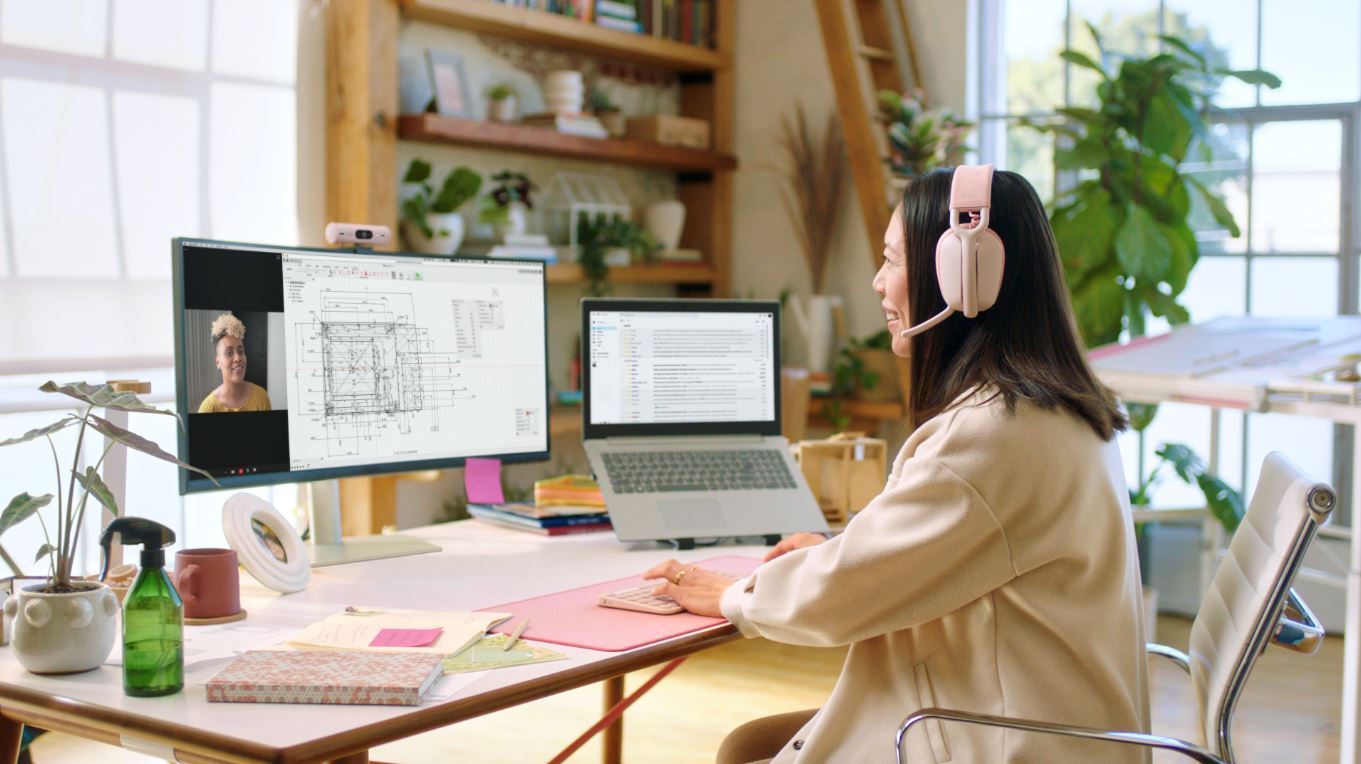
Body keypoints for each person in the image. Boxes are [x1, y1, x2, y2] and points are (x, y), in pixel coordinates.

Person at [644, 166, 1149, 763]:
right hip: (1043, 725)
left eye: (893, 261)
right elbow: (955, 548)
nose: (880, 284)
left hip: (1000, 738)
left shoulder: (992, 435)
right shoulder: (1057, 408)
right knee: (749, 745)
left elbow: (836, 601)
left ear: (962, 276)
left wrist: (734, 594)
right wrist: (849, 546)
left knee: (746, 749)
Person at [198, 312, 271, 413]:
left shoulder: (261, 397)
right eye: (229, 353)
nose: (238, 358)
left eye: (241, 351)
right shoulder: (208, 408)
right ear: (218, 362)